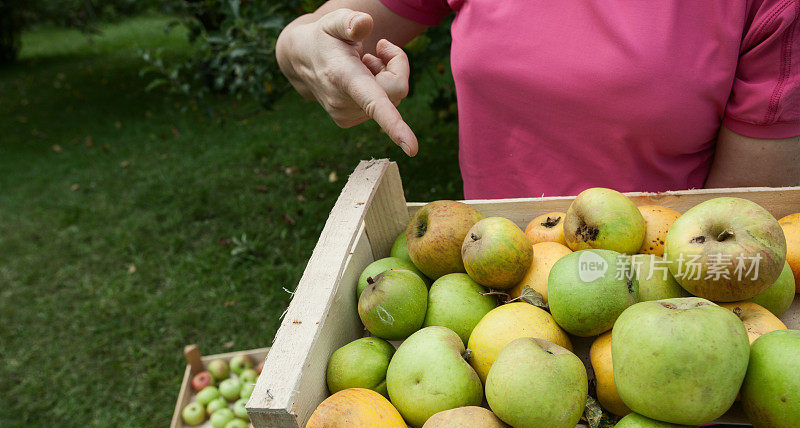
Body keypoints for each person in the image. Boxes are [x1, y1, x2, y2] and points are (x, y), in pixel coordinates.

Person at [276, 0, 800, 199]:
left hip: (658, 311)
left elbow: (741, 229)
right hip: (489, 292)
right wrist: (312, 52)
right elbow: (310, 36)